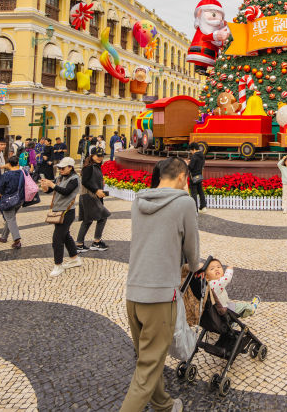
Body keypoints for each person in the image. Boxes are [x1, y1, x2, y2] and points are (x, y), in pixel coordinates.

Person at [121, 156, 198, 412]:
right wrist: (196, 268)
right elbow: (191, 247)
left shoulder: (139, 200)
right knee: (147, 370)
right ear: (181, 177)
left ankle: (164, 405)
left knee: (147, 360)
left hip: (133, 292)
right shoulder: (185, 203)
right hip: (160, 296)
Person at [39, 156, 82, 277]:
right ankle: (75, 258)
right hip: (58, 211)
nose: (60, 170)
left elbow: (66, 191)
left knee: (57, 239)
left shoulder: (75, 179)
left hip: (67, 212)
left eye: (63, 168)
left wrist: (52, 185)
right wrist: (45, 186)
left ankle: (58, 265)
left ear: (70, 167)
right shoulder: (60, 177)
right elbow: (51, 190)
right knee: (65, 235)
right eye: (59, 168)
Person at [76, 147, 111, 252]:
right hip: (89, 196)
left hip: (92, 196)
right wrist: (96, 190)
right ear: (92, 155)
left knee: (88, 220)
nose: (100, 157)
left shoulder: (96, 166)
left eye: (102, 155)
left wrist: (101, 183)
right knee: (103, 216)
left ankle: (80, 244)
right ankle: (96, 242)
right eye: (98, 155)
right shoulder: (89, 167)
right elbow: (85, 182)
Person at [0, 156, 25, 249]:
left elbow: (0, 190)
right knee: (10, 218)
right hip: (19, 199)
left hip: (8, 201)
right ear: (18, 163)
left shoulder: (6, 175)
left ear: (9, 164)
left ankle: (17, 240)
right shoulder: (23, 173)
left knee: (10, 219)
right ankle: (3, 237)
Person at [187, 142, 208, 213]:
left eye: (191, 151)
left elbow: (191, 167)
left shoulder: (194, 156)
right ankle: (203, 207)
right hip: (199, 176)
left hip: (193, 177)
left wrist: (188, 164)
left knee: (193, 193)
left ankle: (194, 209)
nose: (191, 152)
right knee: (200, 191)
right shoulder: (202, 155)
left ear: (193, 149)